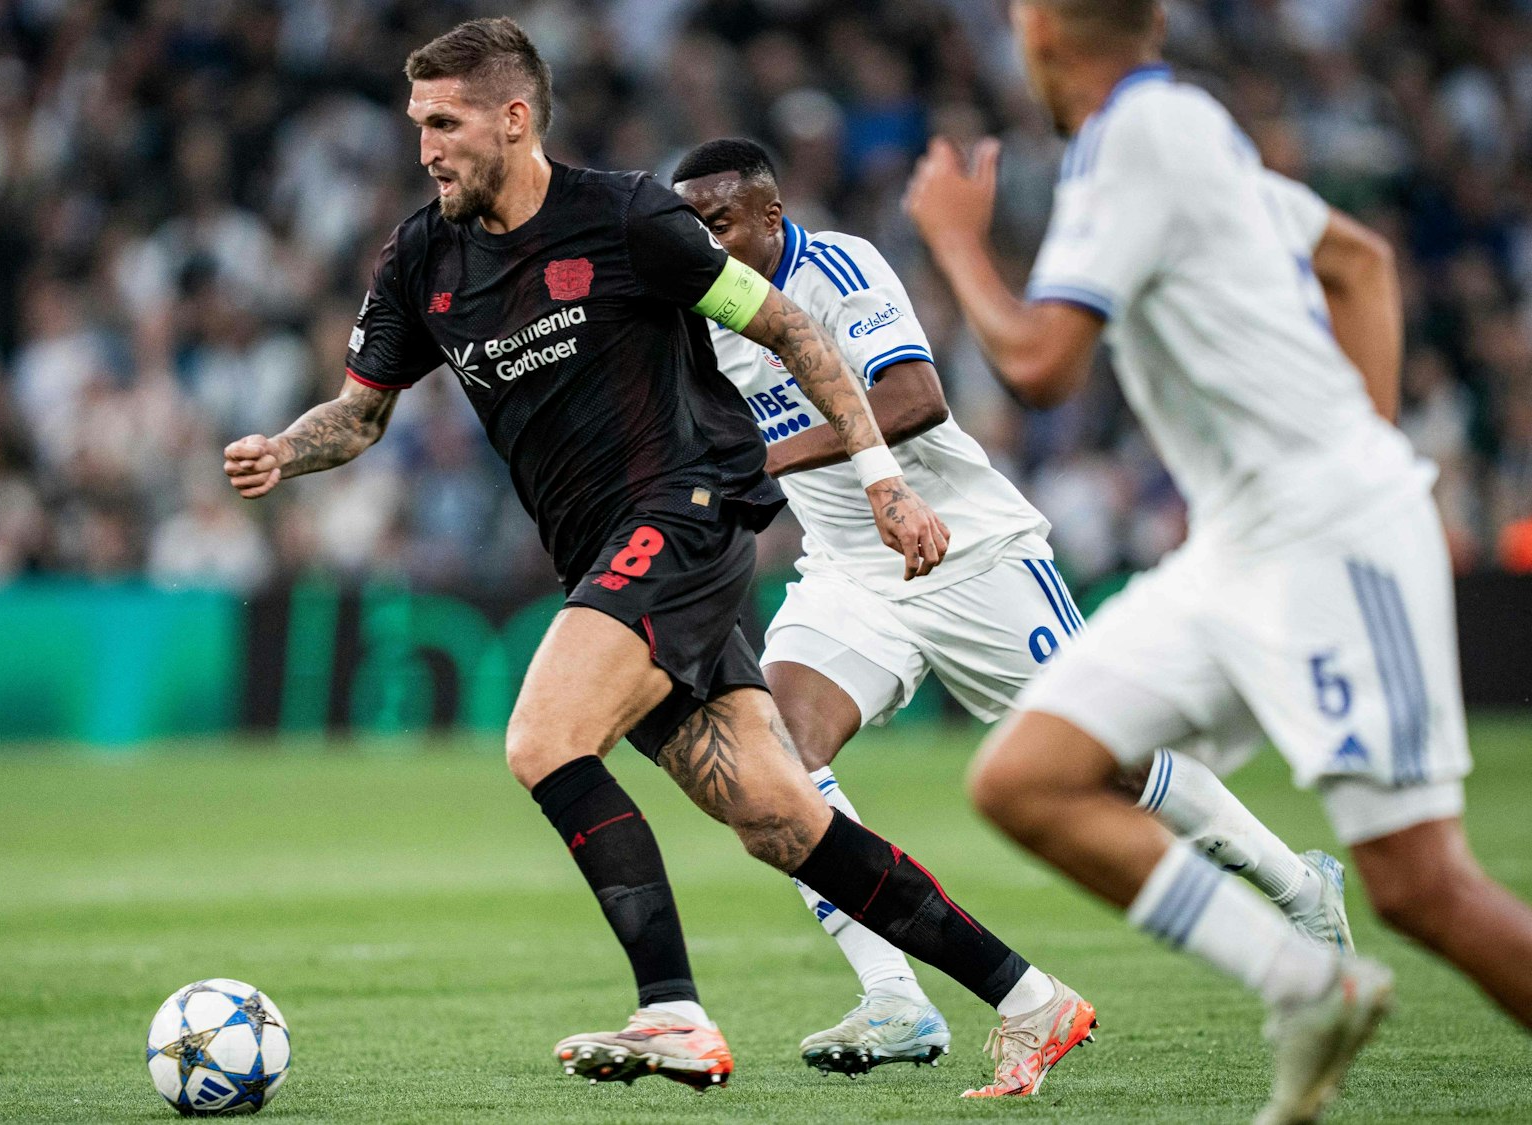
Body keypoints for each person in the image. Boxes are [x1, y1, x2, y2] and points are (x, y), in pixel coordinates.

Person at [224, 17, 1073, 1096]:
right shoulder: (420, 260)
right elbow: (358, 415)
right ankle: (1028, 999)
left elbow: (794, 335)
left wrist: (881, 481)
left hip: (686, 510)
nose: (424, 146)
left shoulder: (629, 220)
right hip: (603, 553)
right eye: (416, 125)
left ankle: (671, 1010)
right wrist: (282, 453)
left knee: (542, 737)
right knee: (777, 818)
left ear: (513, 118)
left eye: (443, 123)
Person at [903, 1, 1532, 1121]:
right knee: (1023, 780)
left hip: (1327, 533)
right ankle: (1304, 979)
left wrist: (953, 236)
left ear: (1041, 30)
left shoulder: (1140, 137)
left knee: (1421, 887)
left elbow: (1041, 365)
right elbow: (1360, 264)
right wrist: (1360, 440)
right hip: (1236, 545)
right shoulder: (1186, 135)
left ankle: (1317, 964)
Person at [671, 137, 1353, 1095]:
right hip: (848, 577)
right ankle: (895, 995)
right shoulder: (704, 315)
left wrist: (760, 467)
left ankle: (1295, 884)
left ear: (772, 218)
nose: (704, 241)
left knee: (1106, 763)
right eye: (690, 226)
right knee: (774, 765)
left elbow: (910, 398)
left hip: (970, 551)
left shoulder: (838, 267)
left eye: (721, 222)